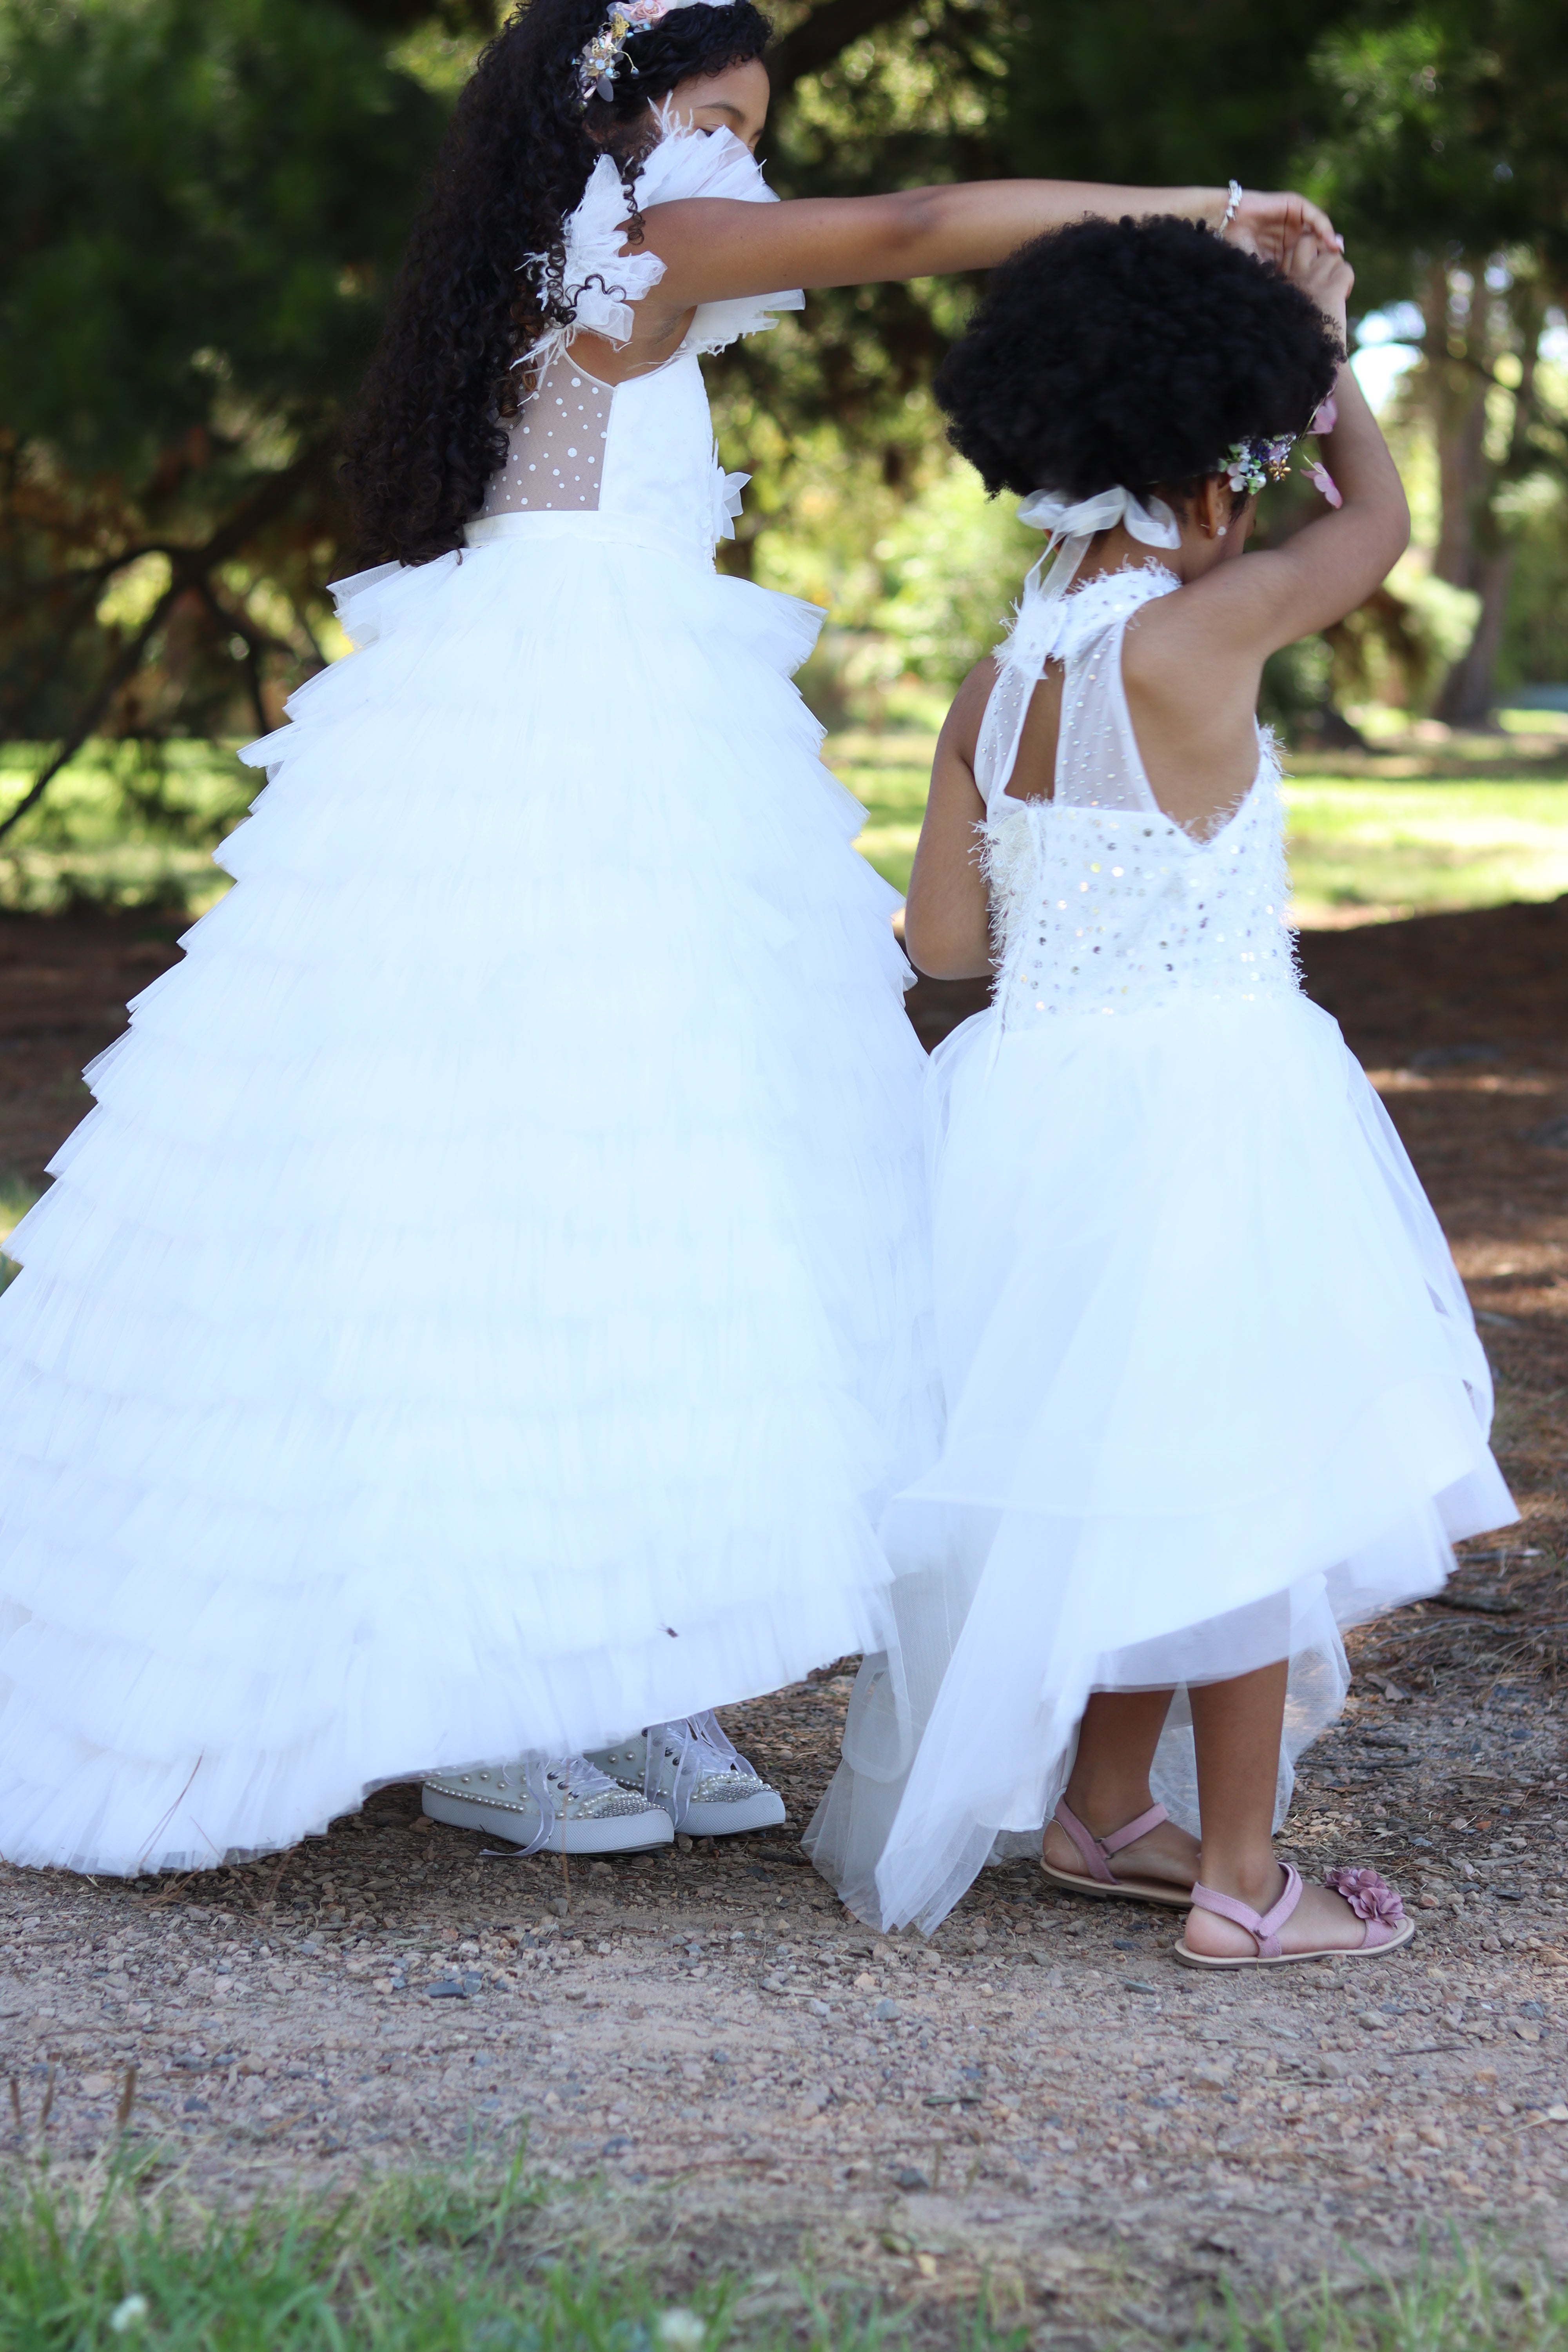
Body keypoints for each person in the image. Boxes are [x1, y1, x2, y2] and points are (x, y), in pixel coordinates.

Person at [0, 0, 1339, 1877]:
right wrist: (1205, 209)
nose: (744, 154)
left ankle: (610, 1651)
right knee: (537, 1162)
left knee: (666, 1176)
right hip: (561, 736)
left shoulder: (591, 276)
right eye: (712, 115)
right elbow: (913, 222)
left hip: (637, 711)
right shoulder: (644, 247)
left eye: (755, 124)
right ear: (611, 124)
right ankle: (496, 1697)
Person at [806, 216, 1516, 1963]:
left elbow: (945, 940)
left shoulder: (1001, 678)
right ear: (1217, 468)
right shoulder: (1205, 635)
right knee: (1236, 1475)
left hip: (1030, 1105)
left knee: (1114, 1464)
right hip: (1208, 1104)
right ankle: (1244, 1881)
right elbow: (1380, 527)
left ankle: (1105, 1807)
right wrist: (1321, 344)